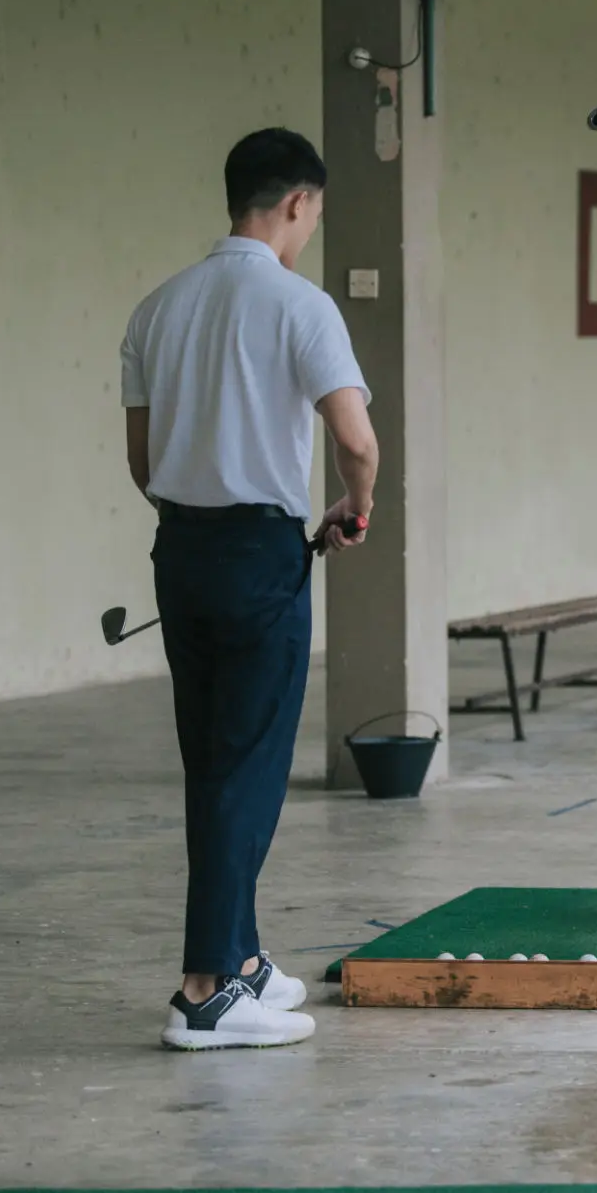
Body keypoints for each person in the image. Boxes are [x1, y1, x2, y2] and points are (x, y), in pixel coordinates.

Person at [121, 128, 379, 1049]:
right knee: (249, 770)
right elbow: (355, 440)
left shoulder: (158, 308)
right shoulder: (300, 306)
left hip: (180, 554)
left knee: (213, 762)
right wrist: (359, 504)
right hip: (260, 557)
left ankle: (242, 957)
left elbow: (141, 459)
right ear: (299, 203)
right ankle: (203, 993)